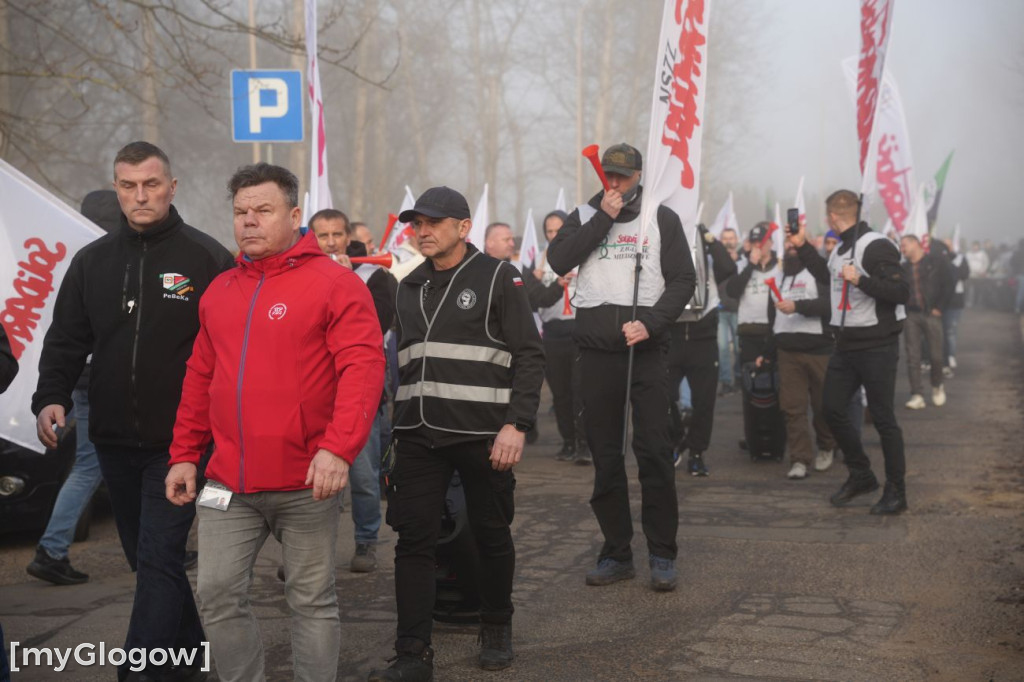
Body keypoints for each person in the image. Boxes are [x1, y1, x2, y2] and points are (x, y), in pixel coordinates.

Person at [166, 163, 384, 682]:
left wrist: (339, 448)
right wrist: (182, 455)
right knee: (216, 594)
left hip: (307, 479)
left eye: (263, 211)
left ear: (293, 215)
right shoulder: (219, 290)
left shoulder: (336, 284)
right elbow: (200, 377)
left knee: (310, 599)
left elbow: (363, 367)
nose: (249, 222)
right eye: (241, 212)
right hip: (227, 483)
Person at [32, 141, 234, 680]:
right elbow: (66, 340)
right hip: (113, 440)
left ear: (172, 186)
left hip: (182, 446)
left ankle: (137, 673)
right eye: (128, 185)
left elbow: (237, 353)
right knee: (149, 563)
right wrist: (49, 395)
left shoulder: (208, 258)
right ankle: (191, 663)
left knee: (160, 559)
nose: (139, 195)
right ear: (116, 189)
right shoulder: (92, 261)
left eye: (150, 184)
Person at [369, 186, 544, 681]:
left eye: (433, 223)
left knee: (491, 533)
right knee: (413, 541)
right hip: (417, 434)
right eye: (416, 223)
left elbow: (529, 354)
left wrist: (518, 424)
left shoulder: (497, 277)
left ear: (463, 228)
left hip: (483, 434)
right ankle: (411, 654)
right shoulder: (407, 285)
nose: (422, 232)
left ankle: (496, 624)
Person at [547, 143, 695, 591]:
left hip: (645, 351)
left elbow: (684, 279)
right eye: (608, 175)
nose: (614, 184)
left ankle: (662, 553)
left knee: (652, 451)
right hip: (594, 352)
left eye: (623, 177)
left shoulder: (661, 218)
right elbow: (558, 260)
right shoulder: (582, 214)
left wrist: (650, 323)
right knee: (606, 456)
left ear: (638, 176)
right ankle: (616, 551)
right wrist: (603, 218)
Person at [790, 189, 909, 515]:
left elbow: (901, 291)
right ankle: (861, 474)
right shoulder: (841, 248)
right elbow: (828, 279)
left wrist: (861, 280)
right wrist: (802, 246)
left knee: (884, 420)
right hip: (846, 345)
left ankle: (897, 491)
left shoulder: (876, 245)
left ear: (831, 217)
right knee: (831, 410)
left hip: (877, 346)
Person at [27, 190, 119, 586]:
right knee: (92, 465)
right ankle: (51, 548)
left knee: (94, 464)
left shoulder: (74, 255)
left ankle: (53, 548)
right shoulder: (108, 260)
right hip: (98, 379)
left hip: (81, 379)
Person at [308, 208, 396, 573]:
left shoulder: (376, 276)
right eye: (322, 236)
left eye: (336, 235)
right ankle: (312, 552)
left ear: (349, 238)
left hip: (360, 394)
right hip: (315, 395)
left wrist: (345, 280)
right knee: (312, 482)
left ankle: (366, 542)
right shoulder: (304, 274)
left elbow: (374, 326)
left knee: (362, 475)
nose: (330, 242)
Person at [756, 239, 836, 479]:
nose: (791, 250)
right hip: (787, 352)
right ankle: (800, 458)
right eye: (788, 247)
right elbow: (773, 320)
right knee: (793, 407)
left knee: (822, 405)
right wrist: (767, 352)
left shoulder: (819, 274)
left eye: (795, 247)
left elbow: (830, 305)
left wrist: (798, 306)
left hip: (818, 350)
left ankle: (826, 446)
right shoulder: (778, 277)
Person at [667, 223, 736, 476]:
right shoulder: (667, 248)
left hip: (703, 335)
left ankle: (696, 452)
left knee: (704, 402)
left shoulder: (708, 253)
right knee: (663, 396)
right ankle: (676, 439)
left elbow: (729, 268)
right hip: (672, 335)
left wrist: (708, 237)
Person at [531, 209, 591, 464]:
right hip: (553, 335)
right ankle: (568, 442)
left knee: (581, 392)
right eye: (550, 231)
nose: (554, 235)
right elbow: (535, 300)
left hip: (580, 333)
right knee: (561, 394)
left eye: (559, 230)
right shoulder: (540, 262)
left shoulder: (584, 254)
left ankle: (585, 444)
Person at [484, 220, 542, 445]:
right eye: (506, 239)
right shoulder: (474, 273)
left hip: (518, 349)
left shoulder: (519, 269)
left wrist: (555, 285)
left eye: (512, 239)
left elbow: (539, 298)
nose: (512, 244)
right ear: (489, 243)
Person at [899, 234, 952, 410]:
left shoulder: (935, 262)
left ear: (915, 244)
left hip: (931, 313)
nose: (902, 248)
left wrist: (940, 307)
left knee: (936, 356)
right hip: (911, 315)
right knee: (913, 357)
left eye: (905, 245)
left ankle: (937, 385)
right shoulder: (903, 268)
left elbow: (948, 285)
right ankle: (917, 394)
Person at [935, 239, 969, 375]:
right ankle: (936, 359)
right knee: (937, 332)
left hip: (955, 300)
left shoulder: (960, 259)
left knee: (950, 331)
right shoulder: (937, 259)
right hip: (939, 301)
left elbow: (964, 274)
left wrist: (951, 269)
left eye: (949, 244)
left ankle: (950, 356)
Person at [716, 227, 742, 395]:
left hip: (739, 309)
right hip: (720, 310)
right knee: (722, 348)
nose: (728, 241)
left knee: (740, 347)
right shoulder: (715, 260)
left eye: (731, 238)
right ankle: (726, 382)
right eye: (725, 238)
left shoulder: (745, 259)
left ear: (736, 239)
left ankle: (739, 378)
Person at [964, 240, 990, 308]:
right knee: (967, 289)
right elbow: (965, 262)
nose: (975, 248)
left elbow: (986, 263)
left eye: (976, 246)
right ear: (972, 246)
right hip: (969, 274)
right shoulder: (968, 253)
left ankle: (975, 303)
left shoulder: (982, 253)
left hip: (979, 275)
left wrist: (983, 271)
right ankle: (966, 302)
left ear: (978, 247)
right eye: (973, 246)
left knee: (977, 289)